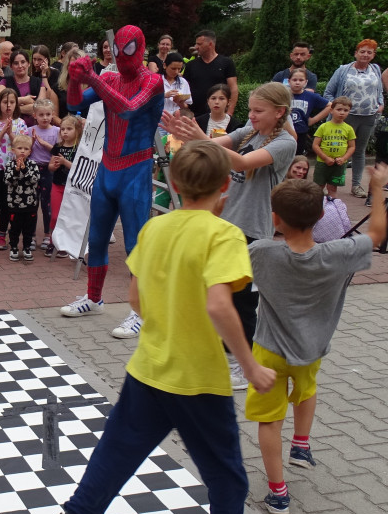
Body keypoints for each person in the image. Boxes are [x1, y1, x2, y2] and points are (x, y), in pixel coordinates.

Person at [44, 139, 276, 514]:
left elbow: (135, 294)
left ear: (174, 184)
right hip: (199, 377)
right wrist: (249, 365)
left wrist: (163, 320)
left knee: (117, 453)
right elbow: (220, 304)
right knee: (225, 467)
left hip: (149, 368)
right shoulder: (223, 234)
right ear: (226, 185)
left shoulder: (154, 228)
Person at [246, 172, 385, 514]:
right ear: (322, 216)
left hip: (268, 353)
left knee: (269, 421)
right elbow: (378, 233)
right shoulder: (340, 252)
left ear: (274, 218)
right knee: (307, 390)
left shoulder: (262, 252)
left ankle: (278, 494)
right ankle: (301, 446)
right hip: (312, 350)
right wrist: (379, 188)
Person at [162, 82, 297, 388]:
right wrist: (186, 135)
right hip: (227, 225)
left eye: (258, 111)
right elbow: (213, 146)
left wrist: (198, 138)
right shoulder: (250, 132)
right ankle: (223, 352)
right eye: (250, 109)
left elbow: (243, 162)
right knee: (218, 292)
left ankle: (243, 361)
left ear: (279, 113)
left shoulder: (285, 143)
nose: (251, 115)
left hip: (252, 230)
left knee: (242, 301)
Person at [60, 26, 164, 341]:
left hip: (136, 169)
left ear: (141, 49)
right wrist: (76, 78)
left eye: (128, 50)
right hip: (108, 167)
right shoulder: (109, 78)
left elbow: (129, 109)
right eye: (117, 50)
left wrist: (91, 78)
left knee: (135, 244)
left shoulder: (152, 81)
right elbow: (74, 105)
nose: (121, 57)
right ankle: (94, 298)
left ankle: (141, 312)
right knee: (97, 236)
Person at [323, 39, 384, 198]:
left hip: (368, 117)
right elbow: (328, 93)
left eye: (369, 52)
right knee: (340, 150)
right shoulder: (343, 70)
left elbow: (379, 92)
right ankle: (332, 184)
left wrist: (380, 104)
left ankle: (356, 186)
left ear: (373, 55)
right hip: (345, 119)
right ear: (356, 53)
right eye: (362, 51)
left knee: (359, 151)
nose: (365, 55)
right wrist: (336, 109)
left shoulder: (375, 69)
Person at [0, 89, 27, 249]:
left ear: (16, 104)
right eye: (5, 102)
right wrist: (3, 130)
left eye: (11, 102)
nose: (8, 106)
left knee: (6, 203)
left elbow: (21, 146)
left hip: (12, 169)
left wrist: (11, 133)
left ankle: (2, 233)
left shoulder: (20, 123)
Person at [48, 116, 83, 256]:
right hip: (57, 186)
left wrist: (65, 162)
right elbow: (50, 166)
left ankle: (66, 244)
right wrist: (54, 165)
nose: (65, 132)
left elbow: (80, 168)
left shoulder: (80, 148)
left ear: (77, 130)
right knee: (55, 216)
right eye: (62, 129)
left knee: (71, 217)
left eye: (69, 129)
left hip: (73, 188)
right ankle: (53, 241)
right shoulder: (57, 147)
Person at [183, 30, 238, 118]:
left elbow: (233, 88)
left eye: (199, 44)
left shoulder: (226, 63)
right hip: (194, 115)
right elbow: (184, 88)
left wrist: (230, 112)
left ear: (210, 44)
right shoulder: (191, 65)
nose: (196, 47)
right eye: (196, 44)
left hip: (218, 114)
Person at [311, 97, 356, 200]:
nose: (342, 113)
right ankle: (315, 208)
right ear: (331, 110)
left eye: (345, 110)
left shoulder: (349, 129)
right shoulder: (324, 127)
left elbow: (352, 147)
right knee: (318, 187)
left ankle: (332, 210)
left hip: (339, 164)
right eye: (339, 109)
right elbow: (315, 145)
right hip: (323, 163)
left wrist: (344, 158)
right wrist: (325, 158)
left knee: (332, 188)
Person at [0, 49, 55, 128]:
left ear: (28, 64)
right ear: (11, 66)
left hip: (34, 129)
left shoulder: (38, 82)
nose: (20, 66)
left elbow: (40, 109)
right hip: (11, 129)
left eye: (23, 62)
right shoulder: (5, 82)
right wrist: (23, 100)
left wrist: (10, 107)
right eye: (16, 63)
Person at [4, 133, 39, 261]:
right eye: (20, 148)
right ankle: (13, 247)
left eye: (26, 149)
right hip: (14, 204)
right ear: (13, 150)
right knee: (15, 228)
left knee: (28, 228)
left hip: (30, 205)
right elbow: (8, 181)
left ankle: (27, 247)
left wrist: (24, 170)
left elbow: (34, 180)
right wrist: (17, 171)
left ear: (30, 151)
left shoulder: (33, 164)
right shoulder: (9, 165)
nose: (23, 151)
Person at [30, 99, 59, 250]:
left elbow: (59, 151)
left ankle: (48, 235)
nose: (45, 117)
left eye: (48, 114)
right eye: (41, 114)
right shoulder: (30, 130)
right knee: (32, 203)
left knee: (47, 204)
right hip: (33, 169)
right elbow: (25, 150)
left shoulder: (56, 131)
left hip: (49, 170)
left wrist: (42, 143)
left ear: (53, 114)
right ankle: (32, 235)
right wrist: (31, 142)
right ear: (35, 115)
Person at [287, 67, 331, 156]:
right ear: (289, 81)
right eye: (294, 80)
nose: (297, 82)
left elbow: (330, 106)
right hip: (285, 131)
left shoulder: (311, 96)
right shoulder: (283, 94)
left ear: (306, 82)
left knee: (297, 157)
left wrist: (314, 120)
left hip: (301, 131)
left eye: (301, 80)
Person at [160, 52, 192, 118]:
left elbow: (186, 106)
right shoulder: (157, 80)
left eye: (179, 69)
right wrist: (164, 95)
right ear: (165, 65)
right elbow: (148, 101)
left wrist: (180, 102)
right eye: (173, 68)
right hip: (159, 119)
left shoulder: (183, 82)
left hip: (177, 119)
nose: (176, 72)